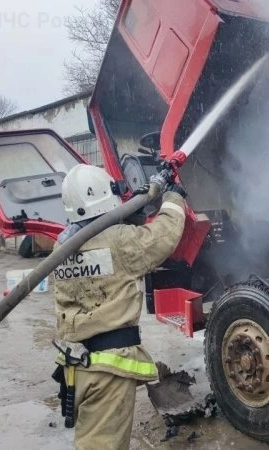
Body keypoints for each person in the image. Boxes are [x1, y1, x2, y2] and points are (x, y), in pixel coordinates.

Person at [52, 164, 186, 450]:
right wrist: (173, 199)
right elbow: (163, 237)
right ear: (106, 194)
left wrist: (132, 214)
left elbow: (102, 246)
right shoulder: (118, 241)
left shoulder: (61, 248)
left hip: (78, 366)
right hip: (108, 370)